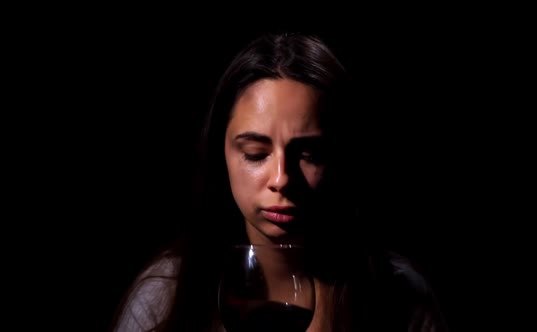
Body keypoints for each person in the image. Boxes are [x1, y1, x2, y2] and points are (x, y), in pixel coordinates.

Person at [110, 31, 448, 332]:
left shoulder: (400, 295)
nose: (281, 179)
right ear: (220, 154)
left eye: (310, 154)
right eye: (256, 153)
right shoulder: (166, 294)